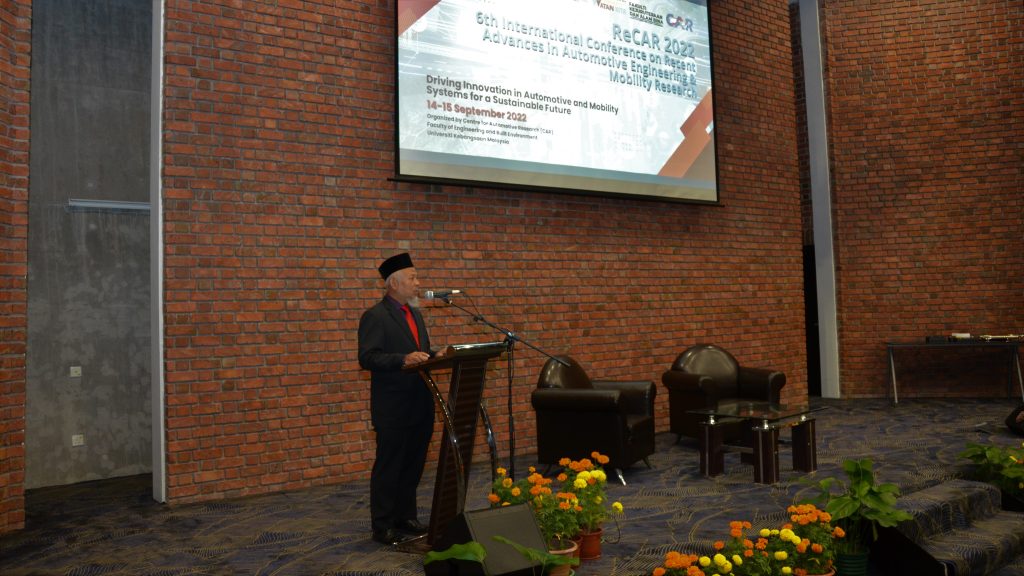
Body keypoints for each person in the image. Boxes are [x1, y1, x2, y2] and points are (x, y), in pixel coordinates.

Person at [358, 252, 442, 546]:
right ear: (394, 283)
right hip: (393, 406)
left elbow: (421, 353)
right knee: (390, 466)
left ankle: (405, 516)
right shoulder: (375, 316)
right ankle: (382, 525)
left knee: (413, 463)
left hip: (420, 403)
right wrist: (402, 359)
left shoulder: (415, 314)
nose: (418, 283)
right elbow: (368, 357)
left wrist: (438, 354)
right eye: (412, 278)